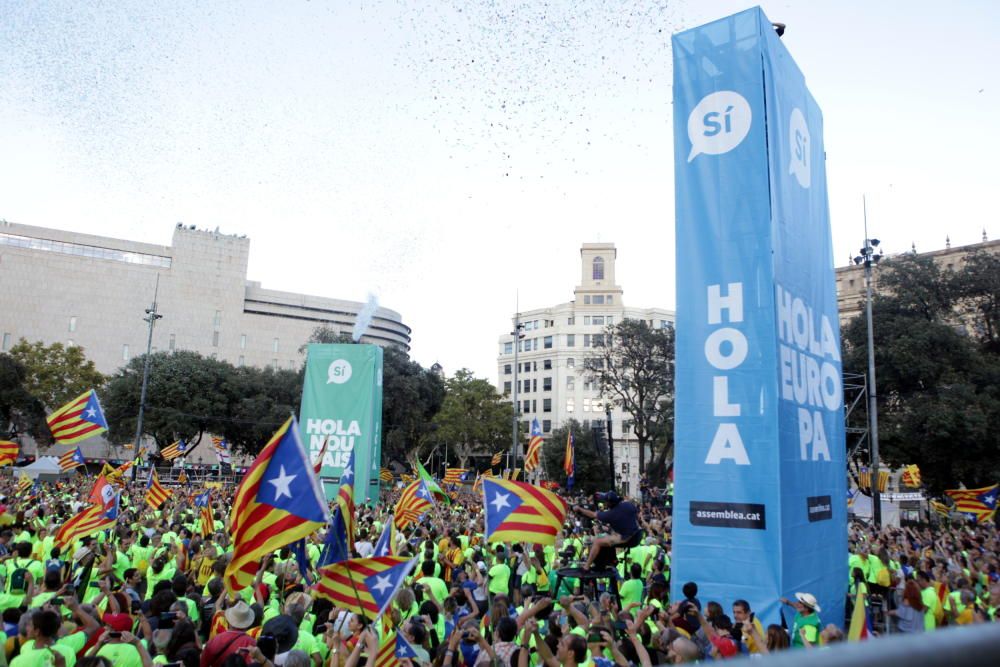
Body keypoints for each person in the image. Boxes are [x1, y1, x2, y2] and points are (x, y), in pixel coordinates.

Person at [571, 492, 640, 570]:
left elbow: (593, 515)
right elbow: (635, 513)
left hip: (628, 538)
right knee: (607, 536)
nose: (604, 503)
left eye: (606, 502)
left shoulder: (611, 514)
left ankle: (586, 567)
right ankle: (611, 560)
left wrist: (579, 509)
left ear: (609, 503)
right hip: (637, 533)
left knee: (597, 541)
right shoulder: (628, 504)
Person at [200, 601, 256, 666]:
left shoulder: (215, 640)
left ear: (229, 620)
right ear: (248, 623)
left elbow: (203, 664)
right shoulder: (252, 644)